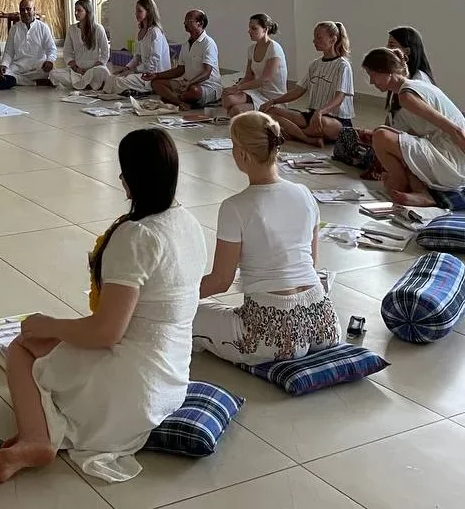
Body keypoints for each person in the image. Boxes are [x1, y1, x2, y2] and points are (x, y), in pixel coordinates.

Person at [0, 129, 207, 485]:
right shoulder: (188, 222)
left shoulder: (138, 236)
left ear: (131, 178)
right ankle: (41, 434)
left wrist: (48, 324)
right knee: (53, 342)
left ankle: (36, 440)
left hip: (132, 390)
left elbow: (105, 333)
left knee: (21, 349)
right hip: (172, 380)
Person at [193, 111, 340, 366]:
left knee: (189, 315)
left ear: (242, 154)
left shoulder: (235, 207)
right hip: (324, 323)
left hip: (272, 340)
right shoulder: (305, 194)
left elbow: (220, 282)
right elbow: (312, 264)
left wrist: (175, 296)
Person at [362, 47, 465, 207]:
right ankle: (420, 191)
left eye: (372, 75)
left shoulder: (407, 96)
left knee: (380, 135)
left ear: (386, 72)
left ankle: (399, 182)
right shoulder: (409, 90)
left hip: (452, 160)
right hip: (444, 153)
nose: (371, 81)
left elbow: (455, 130)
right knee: (392, 139)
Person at [261, 21, 354, 148]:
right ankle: (307, 137)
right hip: (312, 116)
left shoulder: (343, 66)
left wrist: (320, 112)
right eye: (314, 37)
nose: (314, 41)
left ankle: (295, 134)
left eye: (319, 38)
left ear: (333, 40)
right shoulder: (315, 65)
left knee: (322, 123)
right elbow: (298, 91)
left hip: (335, 120)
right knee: (270, 112)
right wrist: (273, 101)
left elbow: (339, 98)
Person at [148, 10, 222, 108]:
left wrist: (190, 83)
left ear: (200, 23)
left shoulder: (208, 43)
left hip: (206, 86)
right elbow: (180, 69)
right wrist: (156, 75)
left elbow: (206, 73)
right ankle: (181, 102)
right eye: (185, 21)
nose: (185, 23)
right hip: (186, 83)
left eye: (189, 21)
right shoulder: (186, 44)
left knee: (194, 91)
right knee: (156, 83)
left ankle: (174, 99)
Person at [221, 14, 288, 117]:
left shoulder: (274, 48)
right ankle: (248, 113)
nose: (249, 31)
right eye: (249, 28)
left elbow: (265, 79)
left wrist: (238, 88)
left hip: (274, 97)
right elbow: (249, 77)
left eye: (254, 28)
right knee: (228, 100)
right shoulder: (251, 49)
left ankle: (267, 113)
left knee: (236, 110)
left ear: (265, 29)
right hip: (257, 93)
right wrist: (232, 88)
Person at [100, 0, 170, 96]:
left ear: (148, 12)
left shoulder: (155, 32)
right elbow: (137, 57)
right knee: (112, 77)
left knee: (119, 81)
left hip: (153, 75)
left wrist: (134, 71)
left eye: (139, 11)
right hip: (143, 71)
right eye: (136, 11)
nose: (136, 14)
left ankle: (143, 90)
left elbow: (154, 61)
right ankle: (128, 90)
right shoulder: (140, 31)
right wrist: (126, 68)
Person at [50, 0, 111, 91]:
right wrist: (76, 68)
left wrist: (91, 68)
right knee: (53, 73)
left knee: (103, 71)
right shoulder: (72, 29)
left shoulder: (98, 28)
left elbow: (105, 53)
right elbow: (67, 52)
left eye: (79, 10)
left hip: (94, 69)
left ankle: (82, 84)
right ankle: (90, 85)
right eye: (75, 10)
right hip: (77, 71)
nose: (76, 13)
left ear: (87, 12)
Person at [0, 0, 58, 87]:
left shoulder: (43, 27)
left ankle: (21, 81)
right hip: (20, 66)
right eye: (22, 10)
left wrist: (49, 60)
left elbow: (51, 49)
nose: (25, 12)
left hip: (38, 66)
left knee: (53, 72)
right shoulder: (14, 29)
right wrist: (4, 64)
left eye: (28, 9)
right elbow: (9, 51)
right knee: (4, 74)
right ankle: (36, 82)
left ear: (34, 10)